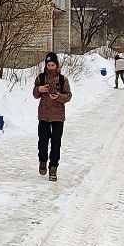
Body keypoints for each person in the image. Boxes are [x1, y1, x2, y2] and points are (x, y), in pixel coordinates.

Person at [33, 51, 72, 180]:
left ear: (57, 65)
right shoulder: (41, 78)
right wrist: (39, 90)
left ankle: (53, 168)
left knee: (56, 143)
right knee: (43, 141)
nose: (50, 67)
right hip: (44, 115)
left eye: (52, 65)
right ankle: (42, 161)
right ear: (46, 65)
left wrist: (58, 97)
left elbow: (68, 96)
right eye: (48, 65)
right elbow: (35, 94)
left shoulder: (62, 79)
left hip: (58, 116)